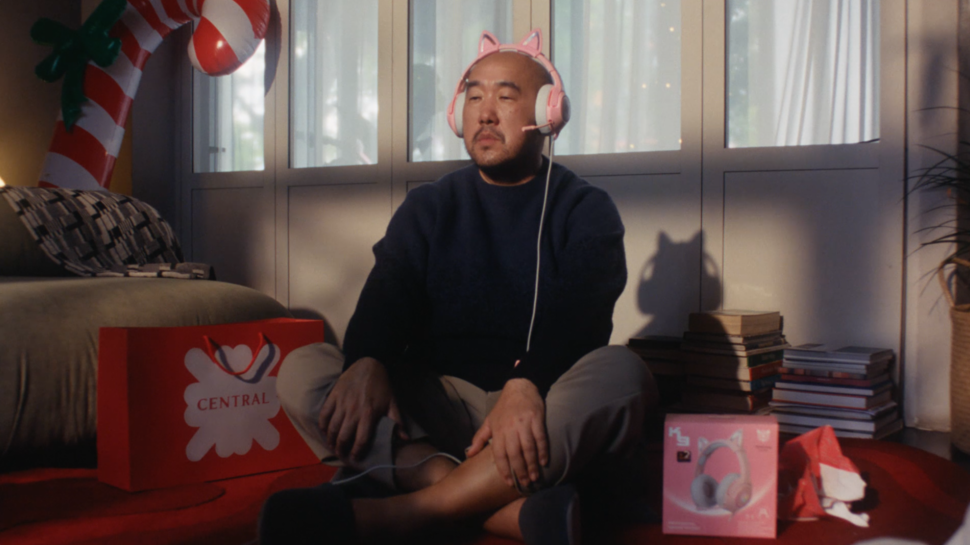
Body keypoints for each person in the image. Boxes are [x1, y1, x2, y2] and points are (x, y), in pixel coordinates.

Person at [260, 29, 658, 545]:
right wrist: (367, 359)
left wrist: (527, 384)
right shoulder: (429, 205)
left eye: (505, 97)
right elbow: (389, 291)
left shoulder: (586, 209)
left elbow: (582, 316)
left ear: (549, 112)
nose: (485, 114)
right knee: (304, 369)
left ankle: (404, 511)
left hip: (540, 406)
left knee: (624, 374)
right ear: (457, 114)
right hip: (438, 410)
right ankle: (482, 499)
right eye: (473, 98)